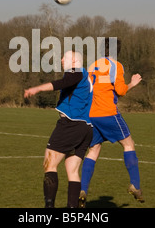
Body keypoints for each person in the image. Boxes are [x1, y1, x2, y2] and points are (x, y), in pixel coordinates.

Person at [79, 38, 144, 207]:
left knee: (93, 151)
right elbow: (121, 91)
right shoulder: (116, 66)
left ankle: (82, 189)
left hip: (91, 114)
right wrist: (132, 83)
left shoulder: (92, 65)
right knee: (129, 144)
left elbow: (86, 89)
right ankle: (135, 185)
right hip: (107, 113)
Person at [24, 51, 93, 208]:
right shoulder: (86, 76)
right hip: (86, 128)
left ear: (75, 60)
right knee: (72, 171)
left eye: (65, 57)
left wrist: (38, 89)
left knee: (49, 165)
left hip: (71, 124)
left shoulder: (76, 72)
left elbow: (62, 83)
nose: (62, 60)